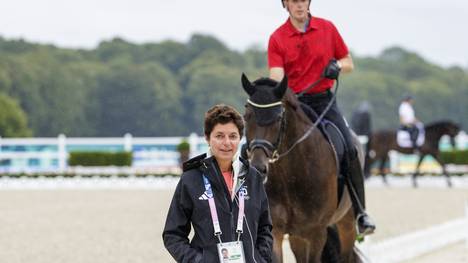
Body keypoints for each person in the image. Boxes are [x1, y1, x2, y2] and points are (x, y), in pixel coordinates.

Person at [267, 0, 375, 236]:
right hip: (294, 104)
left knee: (349, 148)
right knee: (262, 146)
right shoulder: (277, 38)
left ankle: (360, 213)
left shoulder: (327, 28)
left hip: (324, 102)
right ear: (285, 4)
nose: (299, 5)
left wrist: (336, 65)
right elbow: (276, 76)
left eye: (303, 0)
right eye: (294, 1)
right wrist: (281, 94)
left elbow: (349, 62)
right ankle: (254, 209)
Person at [163, 104, 273, 262]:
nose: (227, 142)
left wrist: (260, 259)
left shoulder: (253, 177)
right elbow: (172, 234)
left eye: (233, 136)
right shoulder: (191, 179)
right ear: (207, 138)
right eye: (219, 136)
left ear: (240, 138)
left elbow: (265, 229)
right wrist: (197, 261)